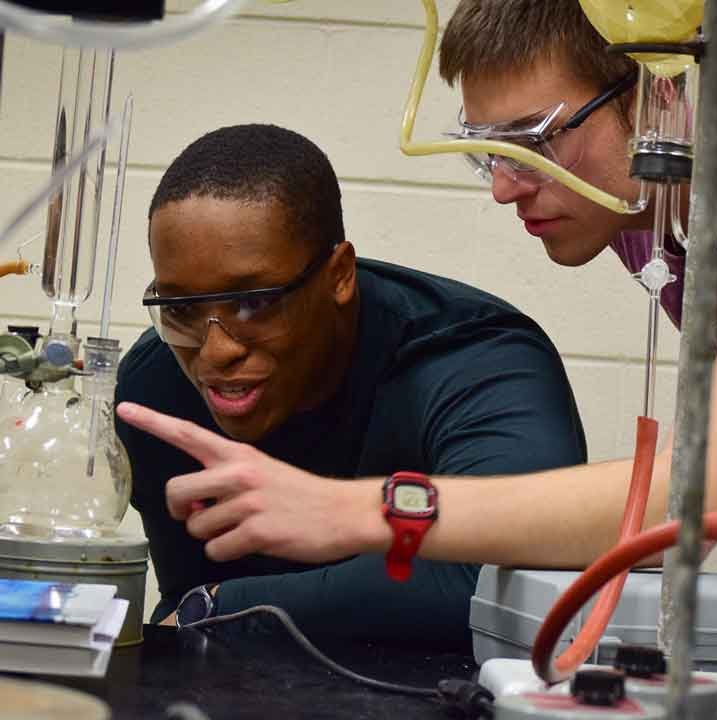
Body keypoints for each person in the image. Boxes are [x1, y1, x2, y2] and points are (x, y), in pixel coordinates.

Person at [115, 123, 587, 649]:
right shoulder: (154, 385)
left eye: (254, 302)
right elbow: (186, 602)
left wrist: (224, 608)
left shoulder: (476, 360)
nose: (216, 350)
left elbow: (501, 579)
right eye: (181, 309)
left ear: (339, 274)